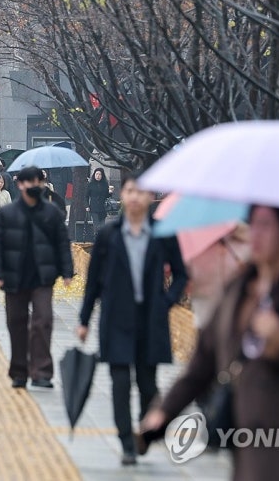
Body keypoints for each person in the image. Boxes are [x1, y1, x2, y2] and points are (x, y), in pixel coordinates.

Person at [140, 206, 279, 481]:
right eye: (253, 224)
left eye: (266, 225)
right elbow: (203, 360)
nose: (255, 234)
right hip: (245, 429)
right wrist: (165, 411)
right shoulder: (240, 289)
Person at [77, 174, 189, 465]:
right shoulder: (109, 234)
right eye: (130, 191)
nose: (135, 196)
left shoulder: (162, 233)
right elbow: (93, 280)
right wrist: (84, 319)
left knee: (148, 383)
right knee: (120, 382)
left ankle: (144, 430)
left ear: (150, 197)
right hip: (116, 318)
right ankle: (126, 441)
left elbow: (181, 274)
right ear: (122, 195)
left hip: (150, 319)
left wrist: (166, 301)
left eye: (141, 192)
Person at [0, 166, 74, 389]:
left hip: (43, 277)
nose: (34, 186)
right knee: (16, 323)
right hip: (14, 277)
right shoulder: (7, 214)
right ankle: (19, 371)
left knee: (43, 321)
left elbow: (62, 243)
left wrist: (67, 271)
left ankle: (42, 372)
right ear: (20, 185)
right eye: (29, 182)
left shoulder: (52, 213)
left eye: (37, 182)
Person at [86, 168, 110, 232]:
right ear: (94, 175)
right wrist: (87, 206)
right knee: (96, 225)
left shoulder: (105, 184)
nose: (98, 176)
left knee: (102, 225)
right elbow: (86, 196)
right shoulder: (90, 184)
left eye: (100, 174)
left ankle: (102, 237)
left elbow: (107, 196)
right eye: (96, 174)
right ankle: (96, 236)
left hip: (102, 207)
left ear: (102, 175)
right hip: (93, 207)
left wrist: (110, 192)